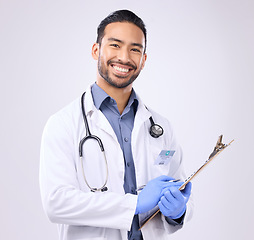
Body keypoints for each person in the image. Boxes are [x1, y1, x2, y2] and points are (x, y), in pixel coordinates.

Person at [40, 9, 193, 240]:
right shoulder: (63, 124)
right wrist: (134, 204)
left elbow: (180, 192)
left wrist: (179, 211)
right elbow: (56, 203)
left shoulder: (161, 127)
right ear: (96, 50)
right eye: (115, 45)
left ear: (143, 60)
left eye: (135, 49)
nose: (124, 57)